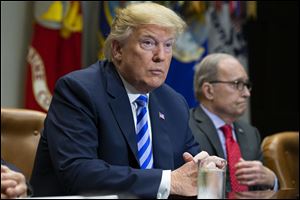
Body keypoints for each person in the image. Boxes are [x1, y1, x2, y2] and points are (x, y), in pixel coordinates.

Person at [30, 2, 225, 198]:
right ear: (117, 49)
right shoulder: (79, 91)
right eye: (148, 43)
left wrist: (204, 169)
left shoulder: (174, 103)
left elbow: (189, 169)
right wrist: (168, 181)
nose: (161, 56)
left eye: (168, 45)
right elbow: (79, 173)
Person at [189, 53, 278, 192]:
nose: (247, 94)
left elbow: (258, 190)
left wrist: (271, 180)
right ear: (209, 91)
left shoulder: (250, 133)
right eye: (237, 84)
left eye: (247, 85)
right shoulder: (187, 127)